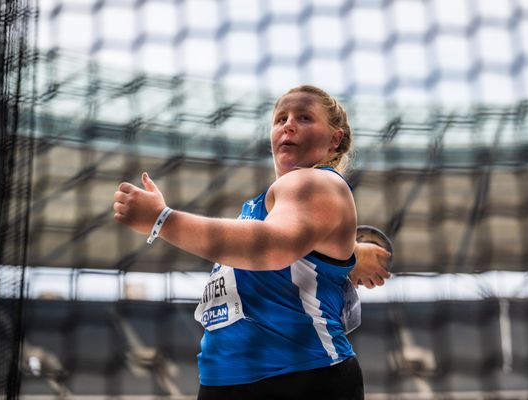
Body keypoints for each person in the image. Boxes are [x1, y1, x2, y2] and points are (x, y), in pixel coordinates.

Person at [113, 85, 391, 399]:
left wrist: (162, 220)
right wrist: (352, 255)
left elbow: (272, 248)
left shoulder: (317, 181)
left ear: (333, 139)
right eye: (280, 118)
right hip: (226, 380)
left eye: (304, 117)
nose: (288, 124)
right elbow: (299, 247)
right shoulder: (260, 206)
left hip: (299, 378)